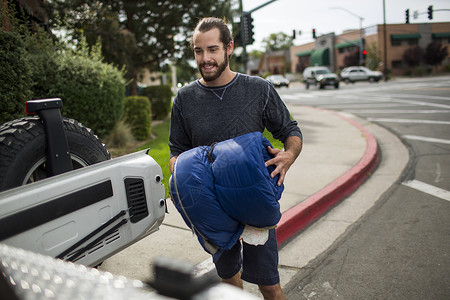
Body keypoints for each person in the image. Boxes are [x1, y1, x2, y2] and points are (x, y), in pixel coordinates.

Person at [168, 17, 302, 300]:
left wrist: (288, 155)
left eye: (213, 49)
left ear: (229, 48)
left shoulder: (258, 89)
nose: (206, 58)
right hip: (214, 206)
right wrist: (185, 180)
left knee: (269, 285)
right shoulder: (185, 98)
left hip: (253, 199)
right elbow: (176, 152)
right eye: (198, 50)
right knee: (229, 284)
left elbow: (290, 130)